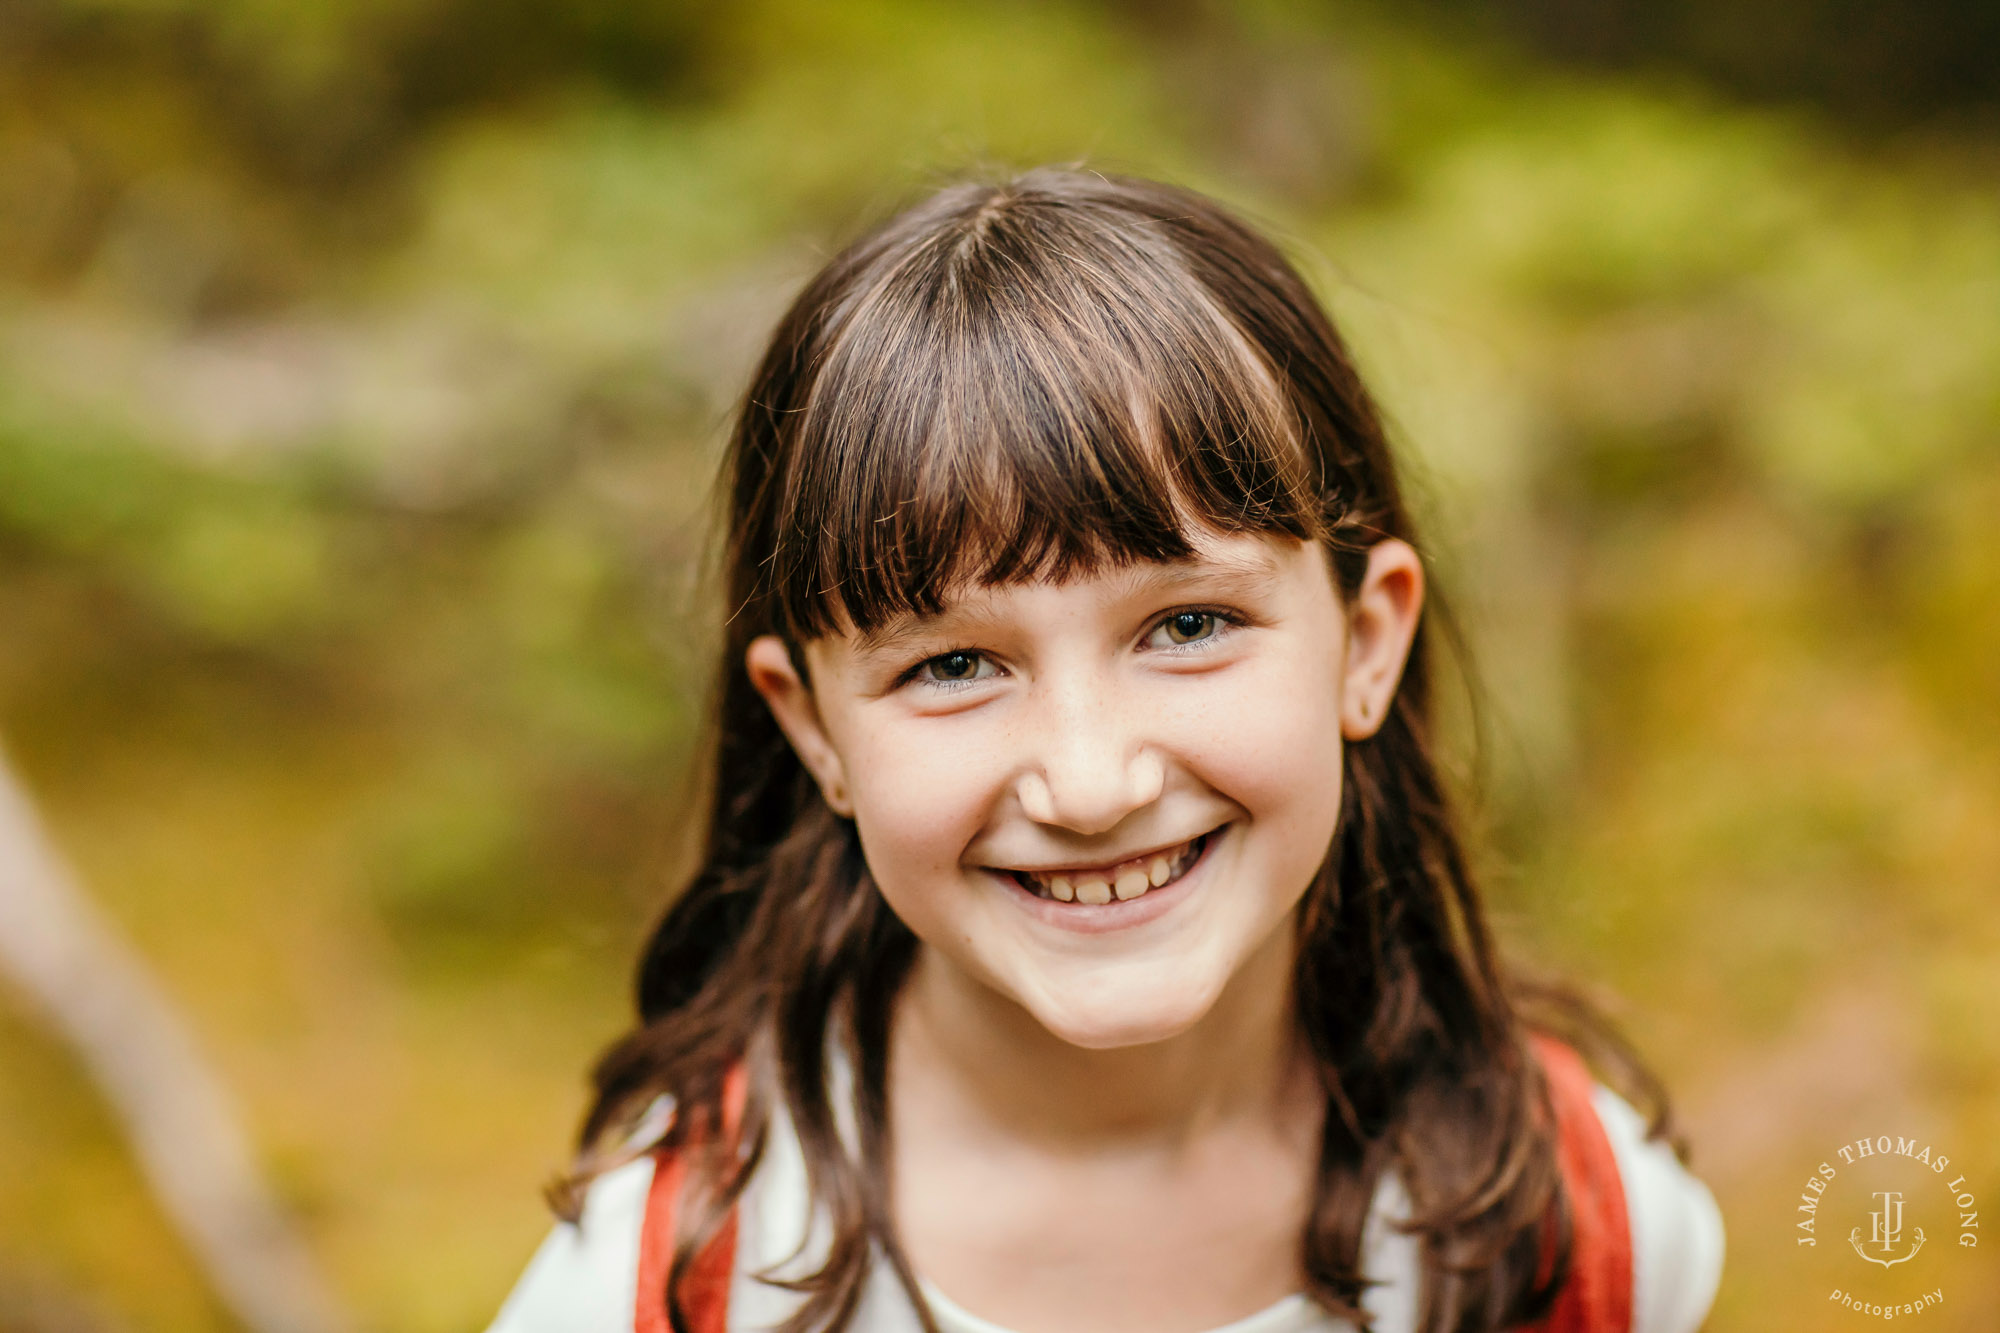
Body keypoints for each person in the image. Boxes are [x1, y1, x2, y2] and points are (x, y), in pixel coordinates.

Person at [486, 168, 1724, 1333]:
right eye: (952, 664)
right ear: (812, 726)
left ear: (1363, 642)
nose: (1088, 785)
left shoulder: (1587, 1233)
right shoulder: (663, 1282)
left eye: (1187, 625)